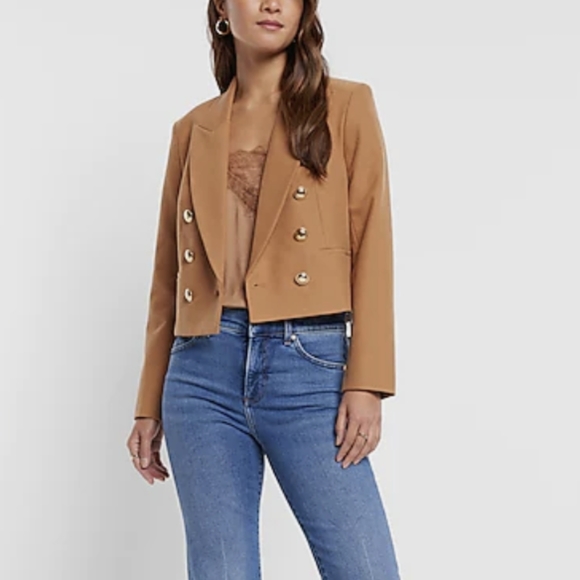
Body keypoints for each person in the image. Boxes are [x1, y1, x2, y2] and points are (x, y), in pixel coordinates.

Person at [126, 1, 401, 578]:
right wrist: (148, 404)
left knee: (365, 567)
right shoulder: (192, 130)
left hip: (310, 367)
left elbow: (373, 243)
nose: (272, 4)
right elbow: (167, 277)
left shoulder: (346, 105)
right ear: (222, 10)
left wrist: (367, 381)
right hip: (201, 374)